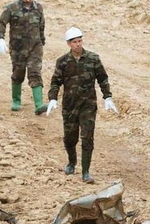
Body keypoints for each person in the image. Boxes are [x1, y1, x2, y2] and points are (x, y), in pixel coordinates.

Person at [46, 27, 116, 183]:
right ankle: (72, 162)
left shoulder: (93, 59)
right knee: (70, 138)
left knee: (87, 137)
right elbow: (56, 82)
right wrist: (53, 99)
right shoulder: (63, 61)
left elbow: (102, 78)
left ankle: (86, 171)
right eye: (74, 42)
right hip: (70, 105)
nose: (78, 44)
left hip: (88, 105)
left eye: (80, 41)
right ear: (69, 44)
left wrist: (108, 97)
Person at [0, 0, 47, 114]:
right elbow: (1, 24)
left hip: (35, 47)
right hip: (18, 48)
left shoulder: (38, 8)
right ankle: (16, 101)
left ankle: (39, 104)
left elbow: (41, 26)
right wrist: (0, 38)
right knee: (18, 73)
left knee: (35, 73)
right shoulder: (11, 8)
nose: (28, 0)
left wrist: (42, 40)